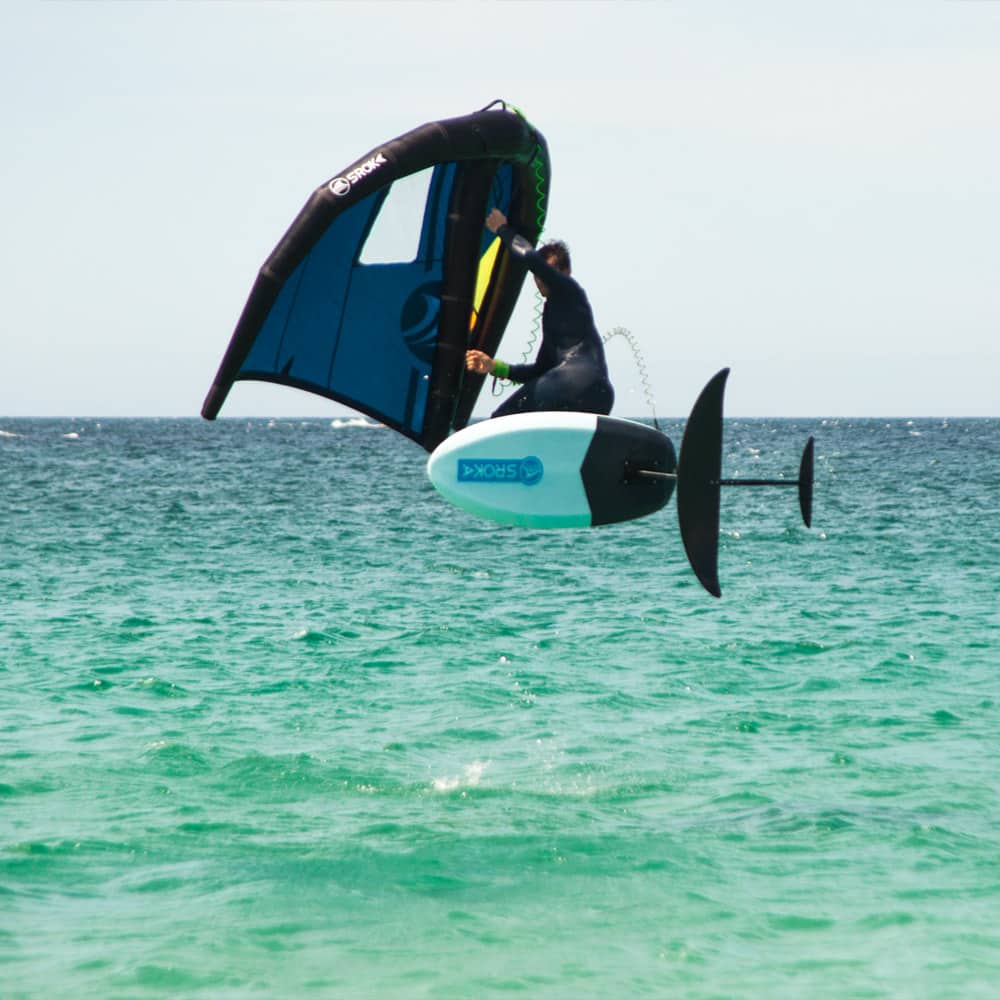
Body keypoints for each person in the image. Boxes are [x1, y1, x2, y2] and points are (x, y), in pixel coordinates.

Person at [465, 209, 614, 418]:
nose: (541, 279)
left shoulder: (570, 289)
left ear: (565, 272)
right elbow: (540, 371)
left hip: (574, 383)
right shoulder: (556, 315)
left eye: (547, 273)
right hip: (599, 394)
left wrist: (502, 229)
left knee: (501, 418)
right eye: (536, 276)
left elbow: (531, 258)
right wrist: (494, 366)